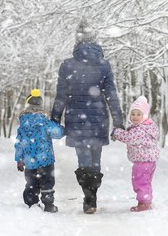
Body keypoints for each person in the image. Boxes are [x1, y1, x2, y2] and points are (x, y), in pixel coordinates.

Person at [50, 19, 125, 214]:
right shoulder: (104, 65)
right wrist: (118, 123)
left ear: (77, 40)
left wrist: (55, 120)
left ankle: (88, 197)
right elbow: (112, 96)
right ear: (95, 40)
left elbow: (61, 96)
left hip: (76, 119)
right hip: (98, 118)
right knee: (96, 160)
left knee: (83, 159)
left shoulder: (67, 65)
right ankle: (92, 196)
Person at [15, 88, 65, 213]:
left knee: (31, 182)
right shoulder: (45, 122)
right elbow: (58, 133)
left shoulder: (23, 124)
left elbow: (19, 143)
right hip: (46, 159)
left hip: (29, 160)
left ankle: (31, 203)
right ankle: (48, 205)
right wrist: (63, 128)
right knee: (47, 182)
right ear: (40, 105)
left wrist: (19, 160)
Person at [111, 95, 160, 212]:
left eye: (139, 114)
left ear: (145, 116)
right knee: (145, 181)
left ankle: (144, 203)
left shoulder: (140, 129)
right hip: (149, 160)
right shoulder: (147, 127)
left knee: (139, 181)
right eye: (133, 114)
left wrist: (116, 132)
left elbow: (128, 137)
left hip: (143, 160)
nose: (135, 117)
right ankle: (147, 200)